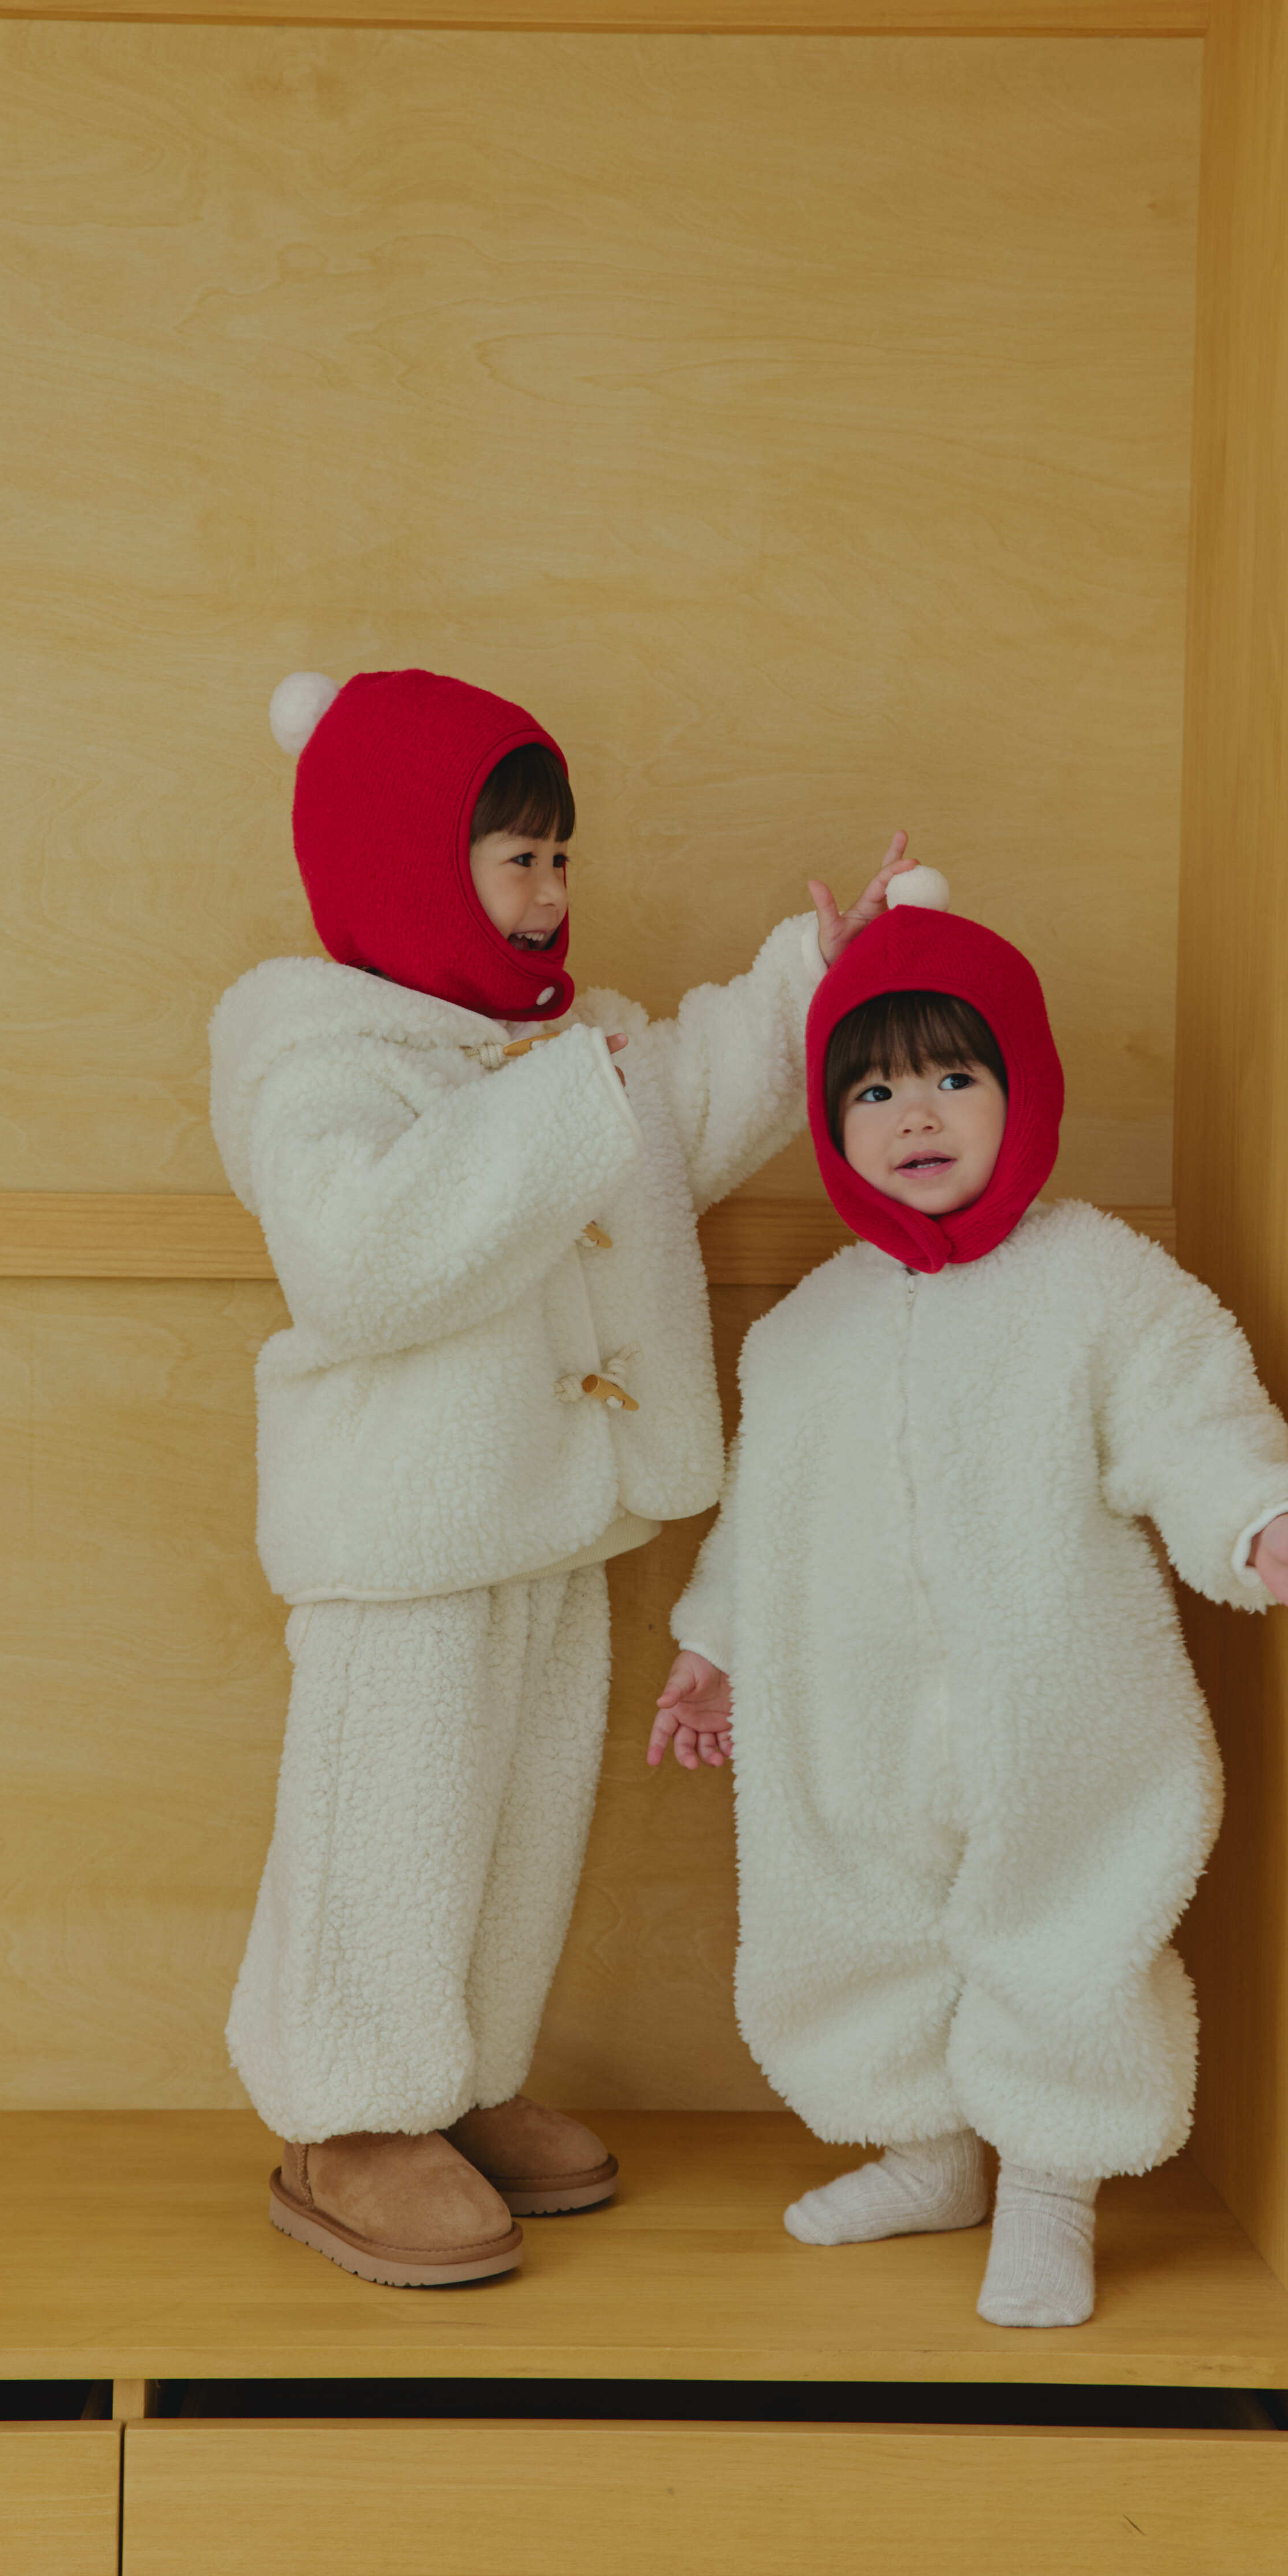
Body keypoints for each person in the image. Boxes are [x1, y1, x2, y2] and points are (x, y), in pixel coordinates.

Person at [210, 664, 906, 2288]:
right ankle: (349, 2116)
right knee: (388, 1820)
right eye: (515, 860)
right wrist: (567, 1101)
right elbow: (363, 1263)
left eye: (559, 859)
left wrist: (814, 976)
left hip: (546, 1510)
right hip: (403, 1533)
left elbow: (694, 1099)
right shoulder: (317, 1057)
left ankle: (454, 2079)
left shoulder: (562, 1045)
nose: (549, 894)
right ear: (405, 866)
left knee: (516, 1828)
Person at [647, 871, 1288, 2328]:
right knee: (855, 1919)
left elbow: (1195, 1426)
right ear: (830, 1121)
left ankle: (1051, 2185)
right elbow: (765, 1523)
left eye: (954, 1076)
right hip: (857, 1723)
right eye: (873, 1090)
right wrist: (715, 1648)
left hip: (1055, 1709)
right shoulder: (804, 1331)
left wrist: (1267, 1529)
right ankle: (930, 2152)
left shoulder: (1100, 1284)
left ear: (1023, 1087)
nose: (916, 1115)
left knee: (1066, 1928)